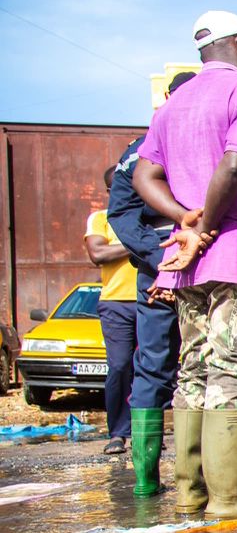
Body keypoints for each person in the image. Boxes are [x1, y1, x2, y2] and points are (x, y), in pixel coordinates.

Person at [132, 10, 237, 518]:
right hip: (235, 251)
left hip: (187, 261)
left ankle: (190, 490)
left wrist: (184, 219)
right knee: (234, 369)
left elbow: (144, 176)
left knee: (195, 368)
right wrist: (205, 225)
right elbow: (235, 162)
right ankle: (232, 495)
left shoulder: (174, 104)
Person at [107, 70, 194, 497]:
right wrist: (162, 259)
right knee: (156, 365)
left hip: (203, 262)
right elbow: (121, 214)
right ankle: (145, 479)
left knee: (209, 364)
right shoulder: (140, 150)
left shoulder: (208, 143)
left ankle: (206, 475)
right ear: (167, 99)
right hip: (160, 266)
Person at [85, 165, 137, 455]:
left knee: (150, 369)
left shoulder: (145, 215)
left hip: (149, 300)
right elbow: (98, 254)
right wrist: (136, 243)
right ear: (110, 190)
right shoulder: (101, 219)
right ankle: (118, 432)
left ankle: (146, 430)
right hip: (116, 302)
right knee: (119, 366)